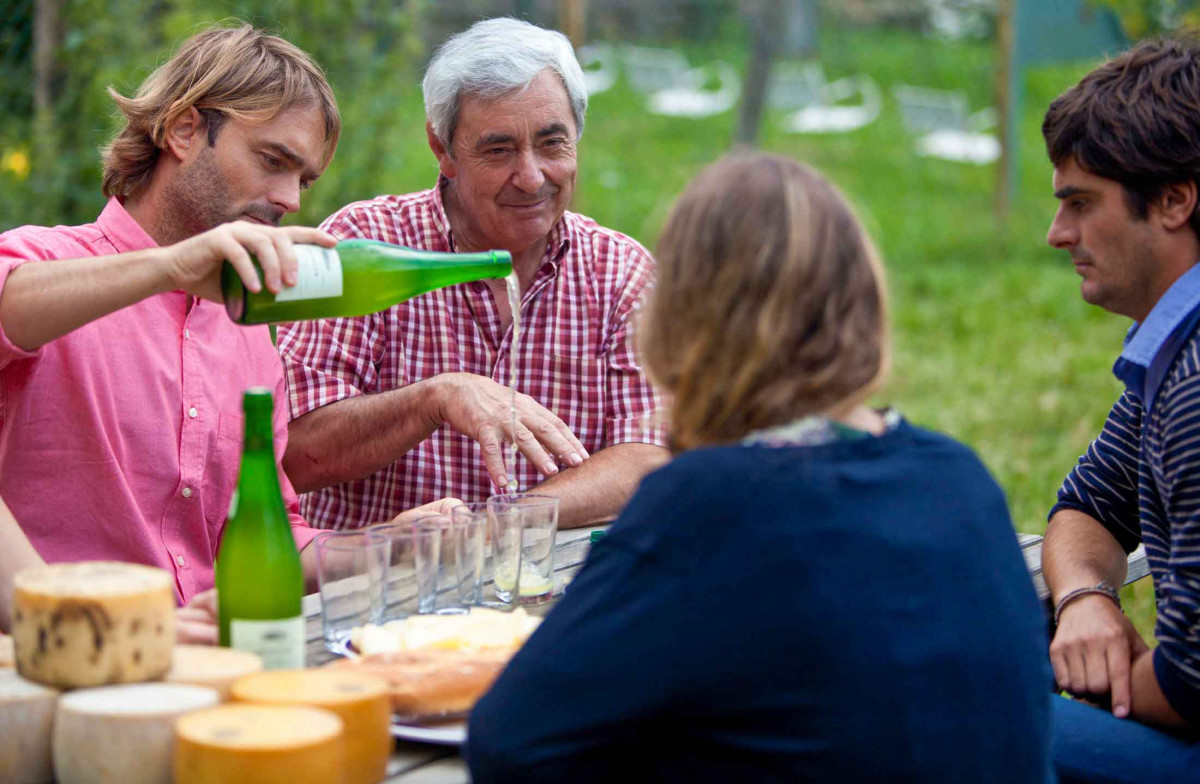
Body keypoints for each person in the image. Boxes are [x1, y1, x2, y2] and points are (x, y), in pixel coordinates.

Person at [466, 153, 1053, 783]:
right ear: (862, 300)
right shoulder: (958, 475)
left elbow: (509, 740)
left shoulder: (707, 501)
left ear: (682, 322)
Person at [0, 24, 450, 609]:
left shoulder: (251, 335)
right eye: (272, 160)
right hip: (60, 664)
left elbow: (264, 539)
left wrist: (387, 546)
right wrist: (172, 266)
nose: (291, 198)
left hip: (204, 661)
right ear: (185, 128)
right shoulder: (47, 261)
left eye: (304, 178)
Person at [279, 17, 669, 530]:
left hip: (547, 593)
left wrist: (497, 527)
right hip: (373, 590)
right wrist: (434, 399)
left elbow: (648, 455)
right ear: (442, 150)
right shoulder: (360, 243)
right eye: (498, 149)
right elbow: (293, 454)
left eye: (553, 144)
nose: (531, 177)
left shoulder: (621, 272)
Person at [1040, 38, 1200, 782]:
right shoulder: (1168, 347)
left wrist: (1096, 678)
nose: (1057, 234)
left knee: (945, 717)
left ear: (1174, 199)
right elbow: (1086, 505)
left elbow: (1193, 684)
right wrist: (1086, 600)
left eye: (1080, 203)